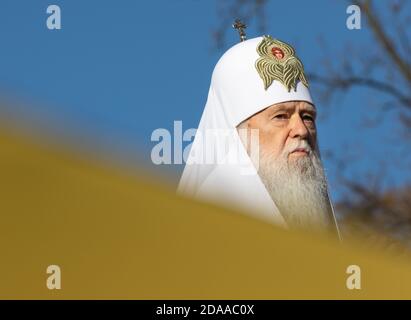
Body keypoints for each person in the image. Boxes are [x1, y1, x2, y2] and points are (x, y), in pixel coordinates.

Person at [178, 35, 340, 236]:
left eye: (307, 117)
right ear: (239, 135)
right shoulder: (206, 225)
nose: (302, 130)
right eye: (281, 116)